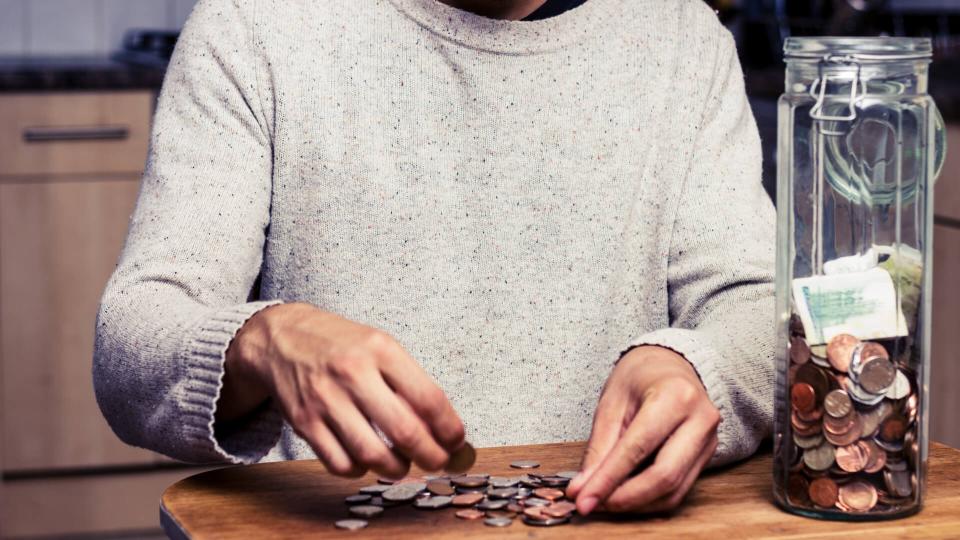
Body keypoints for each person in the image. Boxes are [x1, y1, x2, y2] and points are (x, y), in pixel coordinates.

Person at [93, 0, 775, 516]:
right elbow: (132, 344)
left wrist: (694, 366)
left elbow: (758, 310)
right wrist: (262, 341)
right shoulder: (253, 25)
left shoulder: (682, 36)